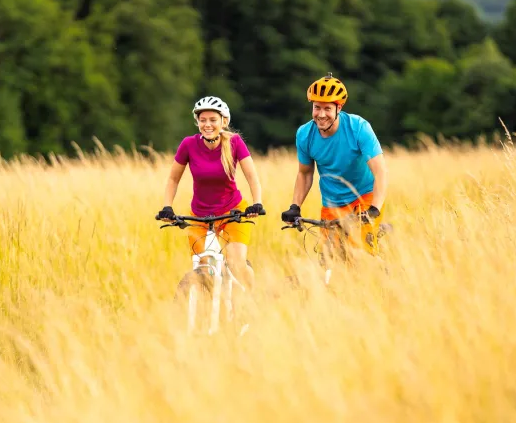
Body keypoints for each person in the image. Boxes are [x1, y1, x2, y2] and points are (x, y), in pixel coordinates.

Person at [158, 96, 264, 290]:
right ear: (197, 122)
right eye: (203, 120)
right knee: (205, 272)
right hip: (200, 215)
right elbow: (173, 179)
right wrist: (167, 207)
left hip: (232, 212)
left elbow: (252, 177)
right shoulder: (188, 144)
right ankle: (213, 306)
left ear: (224, 121)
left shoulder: (234, 142)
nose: (207, 124)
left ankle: (253, 299)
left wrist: (257, 203)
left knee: (237, 264)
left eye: (213, 120)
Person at [280, 73, 388, 256]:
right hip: (332, 203)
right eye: (317, 108)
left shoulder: (359, 128)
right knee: (330, 258)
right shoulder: (305, 135)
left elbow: (380, 172)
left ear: (339, 108)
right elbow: (305, 173)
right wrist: (295, 206)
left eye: (327, 109)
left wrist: (374, 209)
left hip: (364, 197)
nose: (321, 115)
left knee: (359, 252)